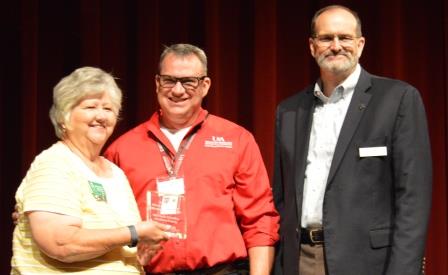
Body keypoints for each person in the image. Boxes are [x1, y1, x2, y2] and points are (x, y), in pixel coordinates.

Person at [273, 5, 432, 275]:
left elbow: (413, 198)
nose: (336, 46)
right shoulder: (289, 111)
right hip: (300, 261)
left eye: (345, 38)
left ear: (360, 44)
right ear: (312, 46)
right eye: (326, 38)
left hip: (371, 264)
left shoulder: (398, 99)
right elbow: (281, 198)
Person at [104, 43, 280, 274]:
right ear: (157, 83)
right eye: (169, 80)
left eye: (188, 82)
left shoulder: (236, 139)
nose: (178, 91)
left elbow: (259, 219)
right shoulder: (122, 149)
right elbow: (106, 224)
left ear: (205, 85)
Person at [11, 67, 170, 274]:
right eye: (90, 107)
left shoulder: (115, 173)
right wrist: (133, 233)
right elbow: (61, 244)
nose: (101, 116)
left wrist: (138, 251)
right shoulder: (55, 164)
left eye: (108, 109)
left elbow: (114, 244)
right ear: (64, 117)